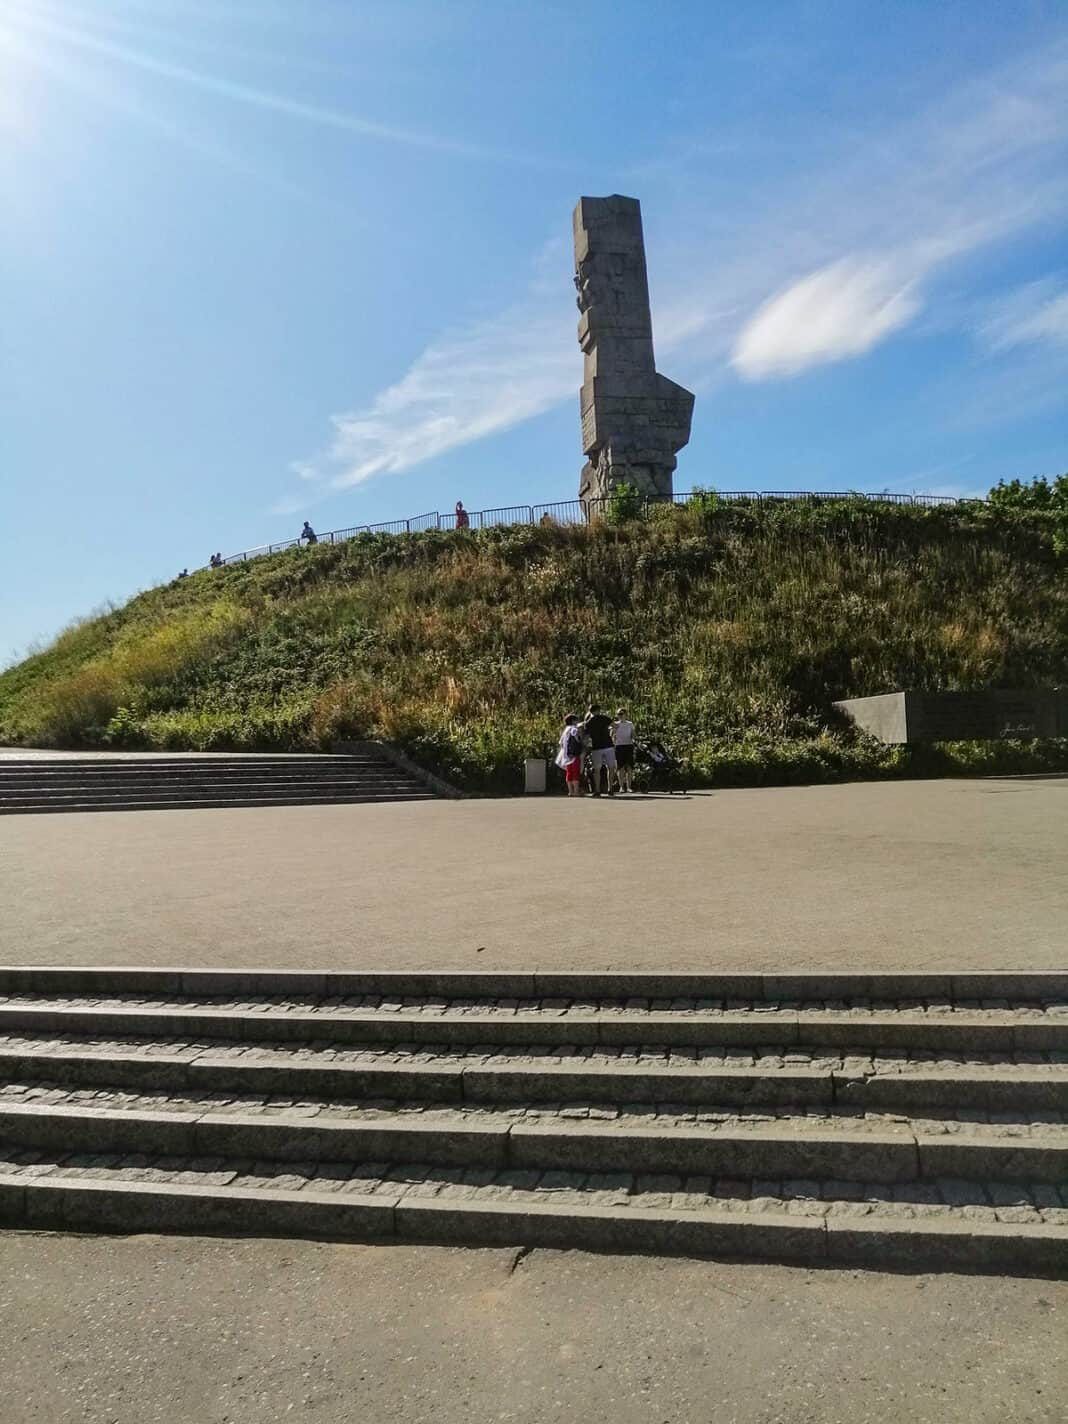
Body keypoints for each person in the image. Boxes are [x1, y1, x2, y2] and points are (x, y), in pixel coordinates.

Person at [583, 703, 616, 797]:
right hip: (608, 745)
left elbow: (586, 736)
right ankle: (610, 788)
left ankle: (597, 790)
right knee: (611, 767)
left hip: (596, 747)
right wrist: (611, 733)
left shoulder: (588, 722)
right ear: (598, 710)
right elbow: (615, 726)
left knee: (597, 769)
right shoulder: (604, 718)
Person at [554, 713, 584, 798]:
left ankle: (570, 791)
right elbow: (576, 736)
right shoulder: (574, 729)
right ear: (573, 721)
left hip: (566, 756)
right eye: (576, 720)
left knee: (569, 773)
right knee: (575, 773)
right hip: (574, 755)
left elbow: (561, 743)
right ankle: (576, 791)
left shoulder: (565, 730)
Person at [612, 707, 635, 792]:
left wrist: (633, 740)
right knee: (620, 767)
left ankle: (629, 787)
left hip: (628, 746)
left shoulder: (630, 724)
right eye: (618, 714)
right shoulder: (615, 724)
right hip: (619, 746)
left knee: (629, 767)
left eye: (621, 714)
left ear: (625, 714)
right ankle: (621, 786)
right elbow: (612, 735)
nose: (619, 716)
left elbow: (633, 734)